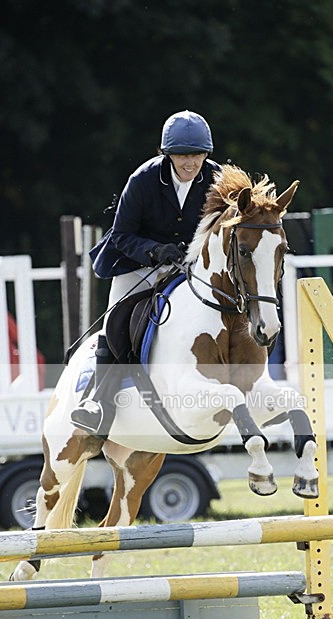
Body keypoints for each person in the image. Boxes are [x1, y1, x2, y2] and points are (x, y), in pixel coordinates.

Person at [71, 110, 220, 437]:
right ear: (166, 154)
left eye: (197, 155)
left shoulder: (217, 180)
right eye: (182, 155)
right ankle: (98, 403)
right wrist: (155, 251)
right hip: (138, 263)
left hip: (191, 267)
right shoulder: (143, 180)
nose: (190, 163)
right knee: (117, 321)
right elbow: (121, 235)